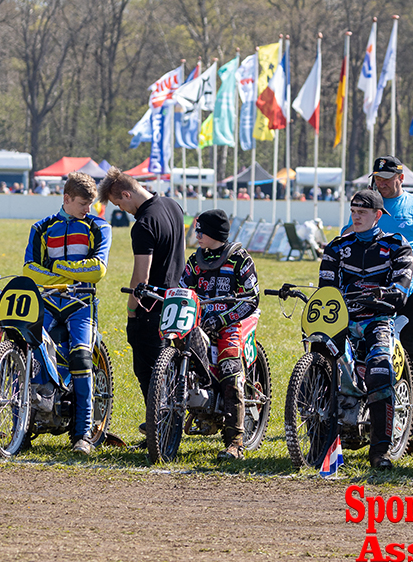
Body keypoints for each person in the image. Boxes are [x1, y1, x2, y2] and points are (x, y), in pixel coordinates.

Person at [345, 156, 413, 456]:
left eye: (388, 177)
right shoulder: (370, 205)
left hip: (407, 294)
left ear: (402, 177)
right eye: (378, 177)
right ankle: (363, 416)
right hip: (366, 295)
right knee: (361, 349)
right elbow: (347, 236)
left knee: (411, 356)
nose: (382, 183)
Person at [320, 190, 413, 470]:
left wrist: (382, 296)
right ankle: (321, 441)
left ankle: (380, 451)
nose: (357, 216)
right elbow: (326, 288)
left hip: (378, 319)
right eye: (353, 211)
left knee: (380, 370)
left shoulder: (397, 245)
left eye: (363, 212)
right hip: (342, 319)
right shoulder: (336, 246)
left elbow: (401, 289)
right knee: (323, 362)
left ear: (378, 215)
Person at [23, 171, 112, 455]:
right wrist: (68, 273)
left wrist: (56, 268)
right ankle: (24, 425)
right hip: (47, 302)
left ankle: (83, 434)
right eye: (83, 204)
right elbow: (29, 270)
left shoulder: (99, 226)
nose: (89, 210)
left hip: (81, 304)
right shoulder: (42, 227)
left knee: (81, 359)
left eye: (91, 204)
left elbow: (98, 269)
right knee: (30, 356)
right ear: (66, 198)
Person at [97, 167, 185, 442]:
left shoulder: (144, 224)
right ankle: (168, 423)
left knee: (148, 369)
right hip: (179, 300)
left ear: (126, 193)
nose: (122, 209)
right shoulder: (173, 206)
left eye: (118, 203)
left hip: (153, 306)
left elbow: (141, 277)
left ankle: (160, 429)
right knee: (174, 367)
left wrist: (132, 308)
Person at [178, 209, 260, 460]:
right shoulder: (194, 260)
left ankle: (235, 441)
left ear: (214, 233)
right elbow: (183, 289)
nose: (196, 234)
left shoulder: (239, 259)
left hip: (230, 324)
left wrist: (222, 318)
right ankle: (162, 420)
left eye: (201, 230)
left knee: (230, 370)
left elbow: (252, 298)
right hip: (197, 323)